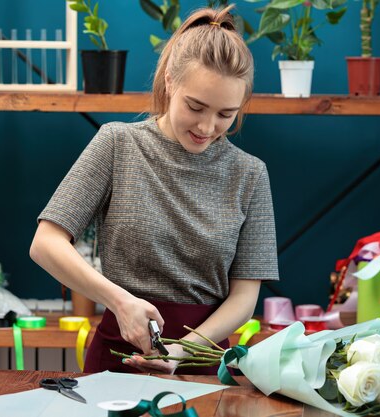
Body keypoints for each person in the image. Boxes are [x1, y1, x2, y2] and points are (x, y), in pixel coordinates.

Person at [30, 5, 279, 375]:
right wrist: (120, 301)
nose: (208, 126)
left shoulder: (250, 174)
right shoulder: (117, 144)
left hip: (202, 363)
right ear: (169, 83)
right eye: (195, 106)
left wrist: (182, 351)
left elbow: (244, 297)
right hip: (118, 357)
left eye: (226, 114)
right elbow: (45, 245)